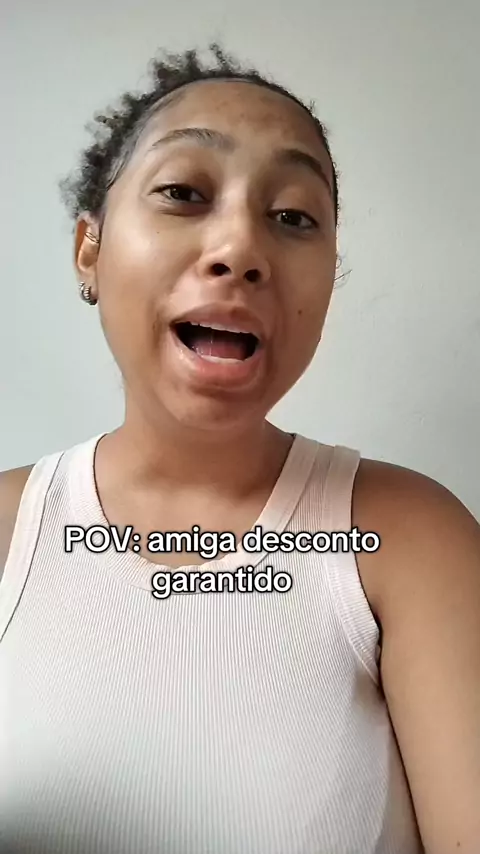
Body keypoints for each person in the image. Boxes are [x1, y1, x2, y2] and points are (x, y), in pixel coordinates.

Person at [0, 43, 479, 854]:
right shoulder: (9, 532)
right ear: (91, 249)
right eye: (184, 193)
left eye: (293, 216)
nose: (240, 250)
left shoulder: (413, 539)